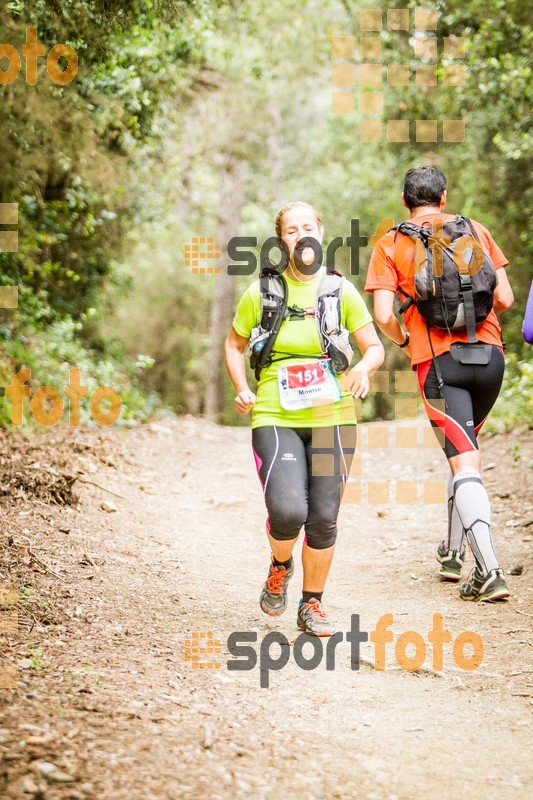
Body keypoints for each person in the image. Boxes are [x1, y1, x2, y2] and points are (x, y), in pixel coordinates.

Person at [225, 201, 384, 635]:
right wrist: (242, 387)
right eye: (291, 230)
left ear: (320, 231)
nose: (300, 235)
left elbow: (374, 347)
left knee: (323, 516)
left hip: (333, 412)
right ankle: (280, 564)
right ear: (282, 241)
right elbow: (233, 345)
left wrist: (362, 370)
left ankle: (312, 605)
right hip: (275, 412)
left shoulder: (339, 291)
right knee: (288, 510)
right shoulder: (263, 292)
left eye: (307, 227)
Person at [365, 165, 514, 603]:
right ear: (444, 197)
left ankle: (490, 571)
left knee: (463, 462)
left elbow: (382, 315)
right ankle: (453, 554)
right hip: (490, 358)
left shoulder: (391, 243)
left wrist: (405, 337)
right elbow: (503, 298)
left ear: (405, 201)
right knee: (465, 455)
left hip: (438, 364)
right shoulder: (475, 230)